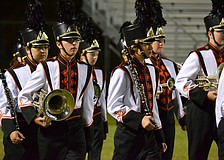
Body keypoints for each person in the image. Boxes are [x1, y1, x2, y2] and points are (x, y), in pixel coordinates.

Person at [18, 0, 94, 159]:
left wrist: (88, 133)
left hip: (76, 130)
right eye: (69, 40)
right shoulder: (47, 66)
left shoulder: (86, 69)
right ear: (59, 44)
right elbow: (24, 96)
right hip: (51, 131)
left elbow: (87, 104)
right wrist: (33, 118)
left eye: (76, 40)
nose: (74, 44)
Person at [107, 22, 167, 160]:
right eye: (147, 44)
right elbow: (113, 106)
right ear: (134, 47)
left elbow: (153, 105)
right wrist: (139, 120)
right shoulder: (121, 72)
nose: (151, 47)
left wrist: (159, 135)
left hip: (149, 136)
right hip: (128, 136)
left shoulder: (152, 70)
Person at [0, 1, 49, 159]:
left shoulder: (53, 69)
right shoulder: (13, 73)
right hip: (21, 128)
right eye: (38, 47)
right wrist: (10, 131)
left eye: (46, 47)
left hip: (46, 130)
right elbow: (4, 106)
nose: (43, 51)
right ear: (27, 49)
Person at [175, 0, 224, 159]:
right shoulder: (198, 55)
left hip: (221, 111)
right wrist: (204, 95)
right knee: (198, 154)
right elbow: (181, 81)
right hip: (202, 112)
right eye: (220, 31)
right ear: (210, 33)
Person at [148, 27, 186, 160]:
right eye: (157, 40)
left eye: (163, 40)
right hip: (152, 115)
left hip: (168, 116)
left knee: (167, 155)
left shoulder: (170, 64)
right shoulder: (144, 64)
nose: (161, 43)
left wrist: (181, 117)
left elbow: (175, 91)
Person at [79, 39, 108, 160]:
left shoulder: (100, 72)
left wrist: (104, 120)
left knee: (95, 155)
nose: (95, 57)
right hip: (80, 117)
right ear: (82, 54)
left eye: (97, 54)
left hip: (96, 117)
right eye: (92, 54)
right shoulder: (76, 70)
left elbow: (102, 98)